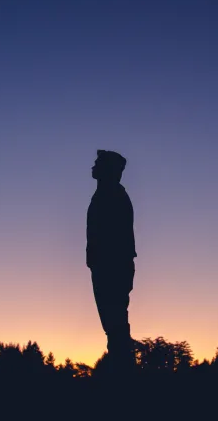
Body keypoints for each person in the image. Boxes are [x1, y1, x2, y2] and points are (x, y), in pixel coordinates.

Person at [87, 149, 137, 374]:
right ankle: (121, 373)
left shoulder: (113, 195)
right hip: (106, 267)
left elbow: (115, 241)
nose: (93, 166)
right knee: (114, 327)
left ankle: (123, 378)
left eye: (98, 162)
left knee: (116, 327)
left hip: (111, 269)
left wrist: (103, 264)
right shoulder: (107, 194)